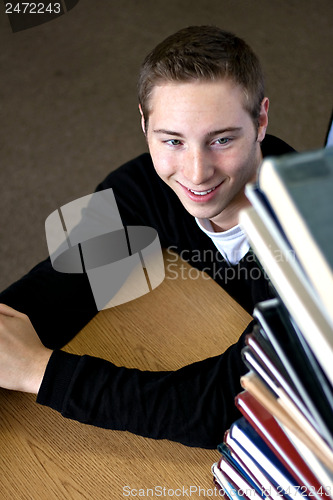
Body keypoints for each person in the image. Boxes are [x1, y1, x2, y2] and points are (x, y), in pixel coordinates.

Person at [0, 26, 294, 448]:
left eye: (222, 139)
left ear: (261, 120)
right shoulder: (145, 185)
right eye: (173, 140)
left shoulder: (309, 235)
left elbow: (224, 406)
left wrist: (37, 371)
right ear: (144, 122)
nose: (195, 173)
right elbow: (67, 278)